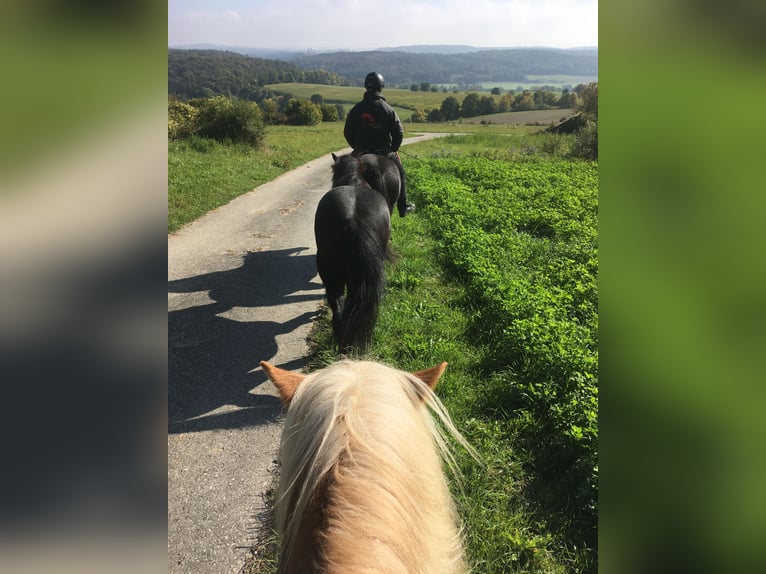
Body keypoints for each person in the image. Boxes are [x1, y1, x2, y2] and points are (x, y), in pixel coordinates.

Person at [344, 72, 415, 217]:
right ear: (381, 87)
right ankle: (403, 207)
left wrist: (356, 147)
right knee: (400, 172)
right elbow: (399, 132)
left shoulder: (356, 109)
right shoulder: (388, 109)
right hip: (384, 151)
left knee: (344, 173)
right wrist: (393, 149)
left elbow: (347, 132)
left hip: (361, 151)